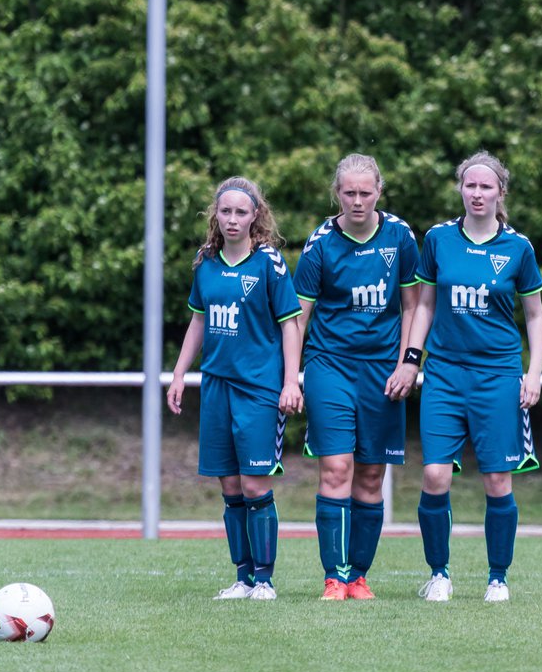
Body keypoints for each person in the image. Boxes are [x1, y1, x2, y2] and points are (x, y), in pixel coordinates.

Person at [405, 151, 542, 603]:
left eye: (487, 186)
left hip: (498, 375)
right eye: (470, 185)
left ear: (500, 193)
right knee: (434, 475)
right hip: (444, 373)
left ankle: (497, 578)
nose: (478, 193)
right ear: (461, 189)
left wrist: (534, 372)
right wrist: (412, 358)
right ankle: (439, 574)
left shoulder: (518, 248)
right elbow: (424, 304)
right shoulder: (439, 239)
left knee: (497, 480)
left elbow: (535, 316)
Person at [166, 176, 304, 601]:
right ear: (216, 215)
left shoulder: (269, 263)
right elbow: (198, 321)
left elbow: (290, 325)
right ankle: (243, 578)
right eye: (225, 211)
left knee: (254, 485)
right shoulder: (205, 261)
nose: (232, 219)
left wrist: (290, 381)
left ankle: (265, 580)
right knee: (228, 487)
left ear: (255, 216)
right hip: (216, 388)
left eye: (241, 212)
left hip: (260, 389)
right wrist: (178, 374)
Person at [294, 154, 421, 601]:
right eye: (349, 192)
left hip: (383, 370)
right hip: (330, 365)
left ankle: (359, 576)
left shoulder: (400, 237)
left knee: (370, 475)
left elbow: (413, 306)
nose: (357, 200)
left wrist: (409, 361)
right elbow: (299, 316)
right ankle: (334, 575)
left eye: (365, 192)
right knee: (336, 467)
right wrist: (292, 376)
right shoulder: (320, 244)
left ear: (379, 193)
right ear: (337, 194)